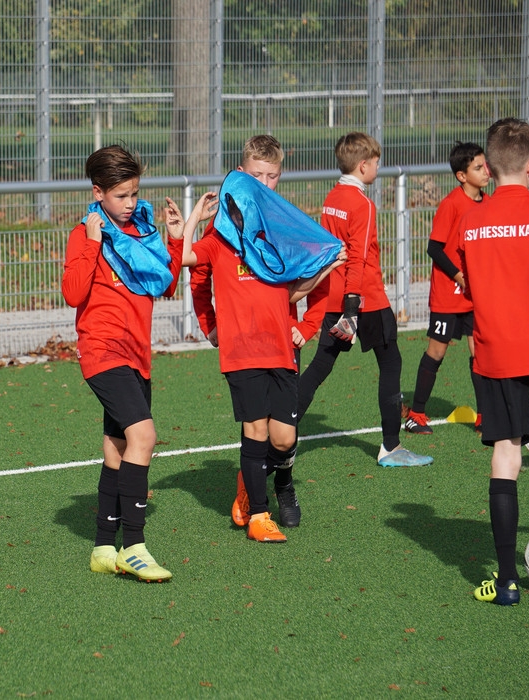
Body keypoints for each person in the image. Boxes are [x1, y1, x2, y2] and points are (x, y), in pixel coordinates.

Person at [175, 187, 344, 542]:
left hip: (280, 350)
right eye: (234, 207)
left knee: (284, 439)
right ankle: (259, 515)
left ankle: (253, 485)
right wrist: (194, 219)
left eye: (246, 207)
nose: (240, 213)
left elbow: (290, 293)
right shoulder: (216, 244)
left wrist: (328, 265)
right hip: (241, 354)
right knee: (255, 431)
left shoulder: (270, 243)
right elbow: (184, 257)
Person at [456, 118, 529, 605]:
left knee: (507, 455)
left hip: (498, 354)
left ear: (488, 166)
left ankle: (506, 582)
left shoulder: (470, 222)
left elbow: (466, 278)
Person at [191, 135, 328, 528]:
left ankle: (283, 482)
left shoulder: (285, 225)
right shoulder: (221, 229)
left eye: (272, 176)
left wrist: (306, 325)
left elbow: (320, 274)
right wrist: (209, 324)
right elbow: (199, 278)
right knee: (255, 428)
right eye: (256, 176)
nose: (264, 184)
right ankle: (258, 499)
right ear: (240, 174)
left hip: (283, 341)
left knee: (284, 436)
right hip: (243, 345)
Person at [62, 144, 184, 582]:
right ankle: (134, 545)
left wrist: (175, 238)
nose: (131, 203)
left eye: (134, 193)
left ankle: (102, 547)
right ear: (98, 193)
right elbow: (73, 293)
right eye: (121, 196)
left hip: (136, 355)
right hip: (102, 351)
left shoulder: (142, 230)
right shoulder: (84, 235)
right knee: (144, 436)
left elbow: (165, 286)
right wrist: (94, 245)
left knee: (116, 447)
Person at [403, 142, 529, 466]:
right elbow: (434, 248)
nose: (486, 172)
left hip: (476, 295)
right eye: (477, 168)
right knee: (437, 352)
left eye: (486, 166)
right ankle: (416, 413)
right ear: (461, 176)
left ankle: (486, 414)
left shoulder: (488, 203)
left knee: (480, 353)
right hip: (448, 295)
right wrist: (458, 275)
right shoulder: (451, 204)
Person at [296, 132, 433, 467]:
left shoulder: (332, 197)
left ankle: (283, 426)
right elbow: (357, 258)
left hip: (332, 294)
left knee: (320, 366)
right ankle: (391, 447)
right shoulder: (363, 204)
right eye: (375, 163)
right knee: (391, 363)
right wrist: (353, 306)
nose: (377, 168)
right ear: (362, 165)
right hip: (364, 298)